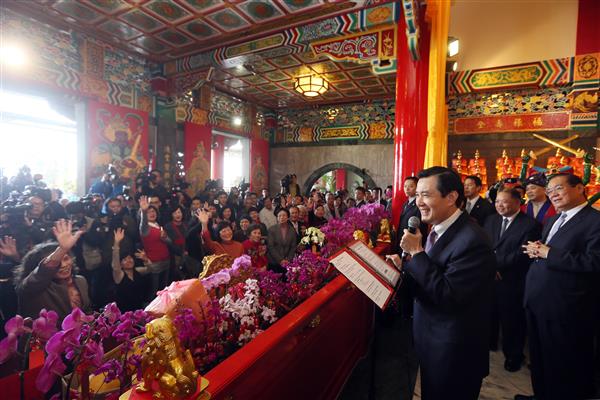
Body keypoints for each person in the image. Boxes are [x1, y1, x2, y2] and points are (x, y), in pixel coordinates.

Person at [395, 166, 495, 400]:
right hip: (432, 343)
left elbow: (450, 296)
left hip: (455, 353)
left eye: (425, 195)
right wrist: (404, 265)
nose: (418, 202)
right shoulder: (438, 230)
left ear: (451, 197)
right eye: (417, 195)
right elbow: (432, 275)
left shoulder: (473, 240)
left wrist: (417, 253)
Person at [518, 173, 600, 400]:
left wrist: (549, 253)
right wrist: (538, 249)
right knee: (539, 356)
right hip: (538, 299)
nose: (552, 194)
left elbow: (594, 262)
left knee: (563, 360)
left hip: (567, 305)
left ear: (580, 188)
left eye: (558, 188)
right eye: (550, 190)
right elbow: (551, 252)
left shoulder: (595, 220)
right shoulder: (554, 220)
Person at [484, 187, 541, 372]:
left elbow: (523, 253)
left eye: (504, 201)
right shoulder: (491, 220)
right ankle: (490, 343)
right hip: (489, 277)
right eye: (497, 201)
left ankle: (514, 356)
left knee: (512, 321)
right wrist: (490, 267)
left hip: (512, 279)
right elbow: (484, 245)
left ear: (518, 202)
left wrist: (497, 266)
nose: (499, 205)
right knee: (489, 313)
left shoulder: (530, 225)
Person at [14, 219, 91, 322]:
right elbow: (43, 272)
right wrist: (62, 249)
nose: (63, 265)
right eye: (58, 261)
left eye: (66, 258)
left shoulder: (80, 281)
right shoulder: (32, 288)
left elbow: (87, 312)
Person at [139, 196, 171, 296]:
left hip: (166, 260)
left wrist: (165, 238)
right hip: (155, 263)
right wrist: (143, 211)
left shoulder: (158, 225)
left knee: (165, 289)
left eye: (153, 211)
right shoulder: (145, 228)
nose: (152, 213)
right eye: (148, 212)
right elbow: (143, 223)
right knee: (155, 291)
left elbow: (170, 242)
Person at [111, 228, 147, 312]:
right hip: (124, 312)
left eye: (130, 258)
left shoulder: (138, 271)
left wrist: (146, 259)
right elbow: (115, 266)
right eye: (124, 260)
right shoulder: (119, 275)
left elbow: (151, 269)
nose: (129, 261)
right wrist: (116, 243)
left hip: (139, 308)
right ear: (120, 264)